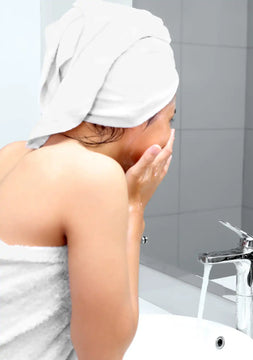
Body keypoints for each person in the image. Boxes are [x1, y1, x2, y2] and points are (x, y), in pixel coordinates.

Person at [0, 1, 178, 358]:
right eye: (169, 119)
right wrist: (134, 206)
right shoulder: (94, 178)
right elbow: (104, 351)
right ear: (138, 116)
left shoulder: (13, 154)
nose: (169, 134)